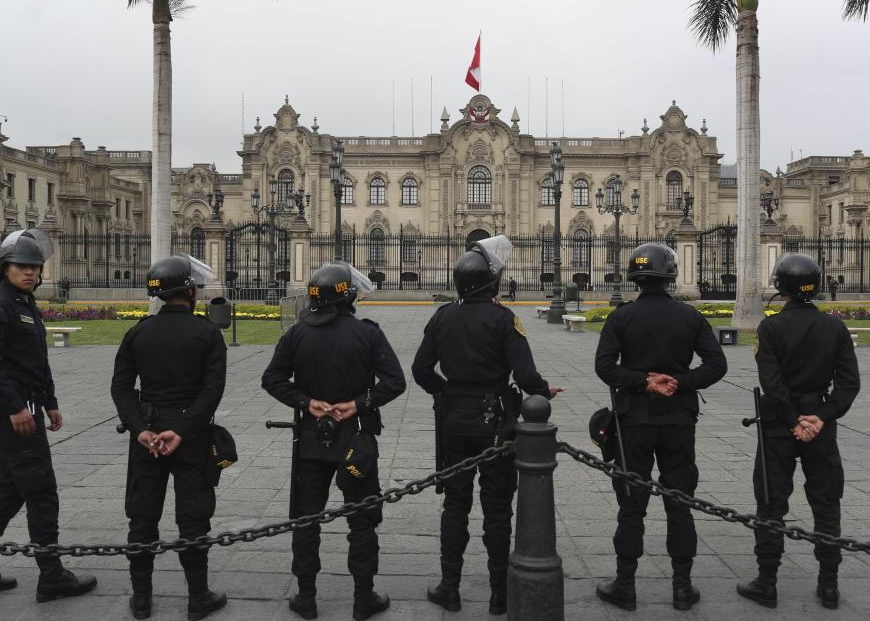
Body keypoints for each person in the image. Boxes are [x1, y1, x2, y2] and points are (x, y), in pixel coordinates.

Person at [412, 236, 562, 616]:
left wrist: (446, 392)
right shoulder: (503, 319)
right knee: (497, 508)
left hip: (454, 420)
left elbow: (420, 370)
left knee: (455, 505)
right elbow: (527, 376)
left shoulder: (442, 316)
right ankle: (499, 593)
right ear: (490, 284)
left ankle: (450, 587)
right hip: (496, 420)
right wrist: (545, 391)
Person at [0, 229, 97, 602]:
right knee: (41, 491)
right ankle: (52, 575)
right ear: (5, 268)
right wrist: (17, 408)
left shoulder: (24, 304)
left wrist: (49, 401)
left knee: (11, 489)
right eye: (23, 266)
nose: (31, 272)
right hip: (10, 414)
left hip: (27, 408)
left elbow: (35, 362)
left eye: (35, 267)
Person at [261, 261, 405, 621]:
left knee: (306, 519)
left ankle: (306, 598)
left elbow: (273, 379)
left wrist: (306, 403)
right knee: (361, 519)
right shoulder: (367, 334)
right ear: (348, 296)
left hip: (311, 436)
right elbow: (394, 382)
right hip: (356, 437)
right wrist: (357, 404)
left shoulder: (296, 334)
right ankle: (362, 597)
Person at [594, 243, 727, 612]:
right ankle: (682, 587)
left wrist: (642, 382)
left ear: (635, 277)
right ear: (670, 274)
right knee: (679, 503)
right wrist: (680, 382)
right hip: (678, 420)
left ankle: (625, 585)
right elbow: (716, 366)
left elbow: (605, 367)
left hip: (634, 420)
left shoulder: (621, 317)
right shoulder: (690, 317)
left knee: (632, 505)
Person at [737, 253, 859, 611]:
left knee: (772, 503)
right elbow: (849, 383)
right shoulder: (834, 328)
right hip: (821, 424)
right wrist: (820, 418)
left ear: (780, 286)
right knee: (826, 502)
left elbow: (772, 386)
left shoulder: (770, 329)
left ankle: (767, 582)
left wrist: (793, 421)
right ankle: (829, 586)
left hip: (779, 425)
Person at [111, 254, 228, 621]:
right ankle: (198, 597)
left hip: (147, 434)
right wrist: (180, 430)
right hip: (189, 434)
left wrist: (140, 429)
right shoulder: (207, 333)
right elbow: (212, 391)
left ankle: (142, 599)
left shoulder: (138, 332)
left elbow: (121, 388)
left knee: (142, 517)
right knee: (193, 516)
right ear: (191, 291)